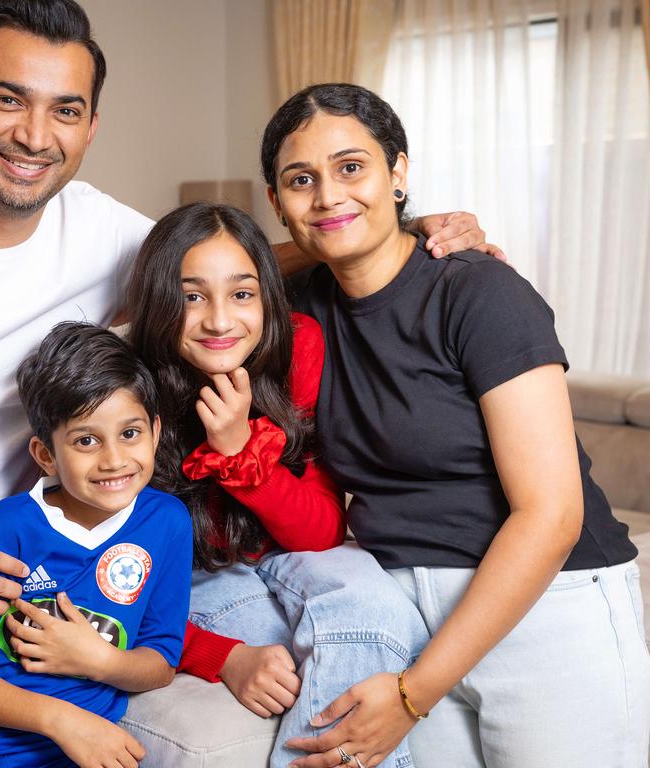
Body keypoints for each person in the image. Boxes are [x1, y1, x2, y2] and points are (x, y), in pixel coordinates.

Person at [0, 0, 492, 763]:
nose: (36, 134)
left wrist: (402, 225)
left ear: (90, 126)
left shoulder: (99, 232)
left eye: (65, 109)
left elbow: (224, 268)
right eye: (8, 100)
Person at [258, 82, 650, 768]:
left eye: (353, 168)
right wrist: (368, 225)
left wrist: (413, 693)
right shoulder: (299, 306)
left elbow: (552, 514)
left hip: (548, 607)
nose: (327, 195)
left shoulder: (477, 291)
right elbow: (205, 263)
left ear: (398, 172)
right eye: (301, 180)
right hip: (407, 610)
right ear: (277, 201)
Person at [126, 202, 427, 768]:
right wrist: (225, 657)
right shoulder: (126, 391)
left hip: (288, 552)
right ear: (160, 302)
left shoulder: (295, 347)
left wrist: (242, 453)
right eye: (192, 297)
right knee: (378, 634)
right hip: (192, 576)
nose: (219, 320)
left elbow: (322, 529)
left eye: (241, 294)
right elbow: (102, 577)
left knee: (376, 606)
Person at [0, 322, 192, 768]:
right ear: (46, 455)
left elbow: (159, 663)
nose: (115, 459)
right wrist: (64, 721)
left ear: (156, 432)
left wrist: (99, 661)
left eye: (130, 433)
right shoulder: (5, 531)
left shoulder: (167, 523)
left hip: (85, 753)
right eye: (86, 440)